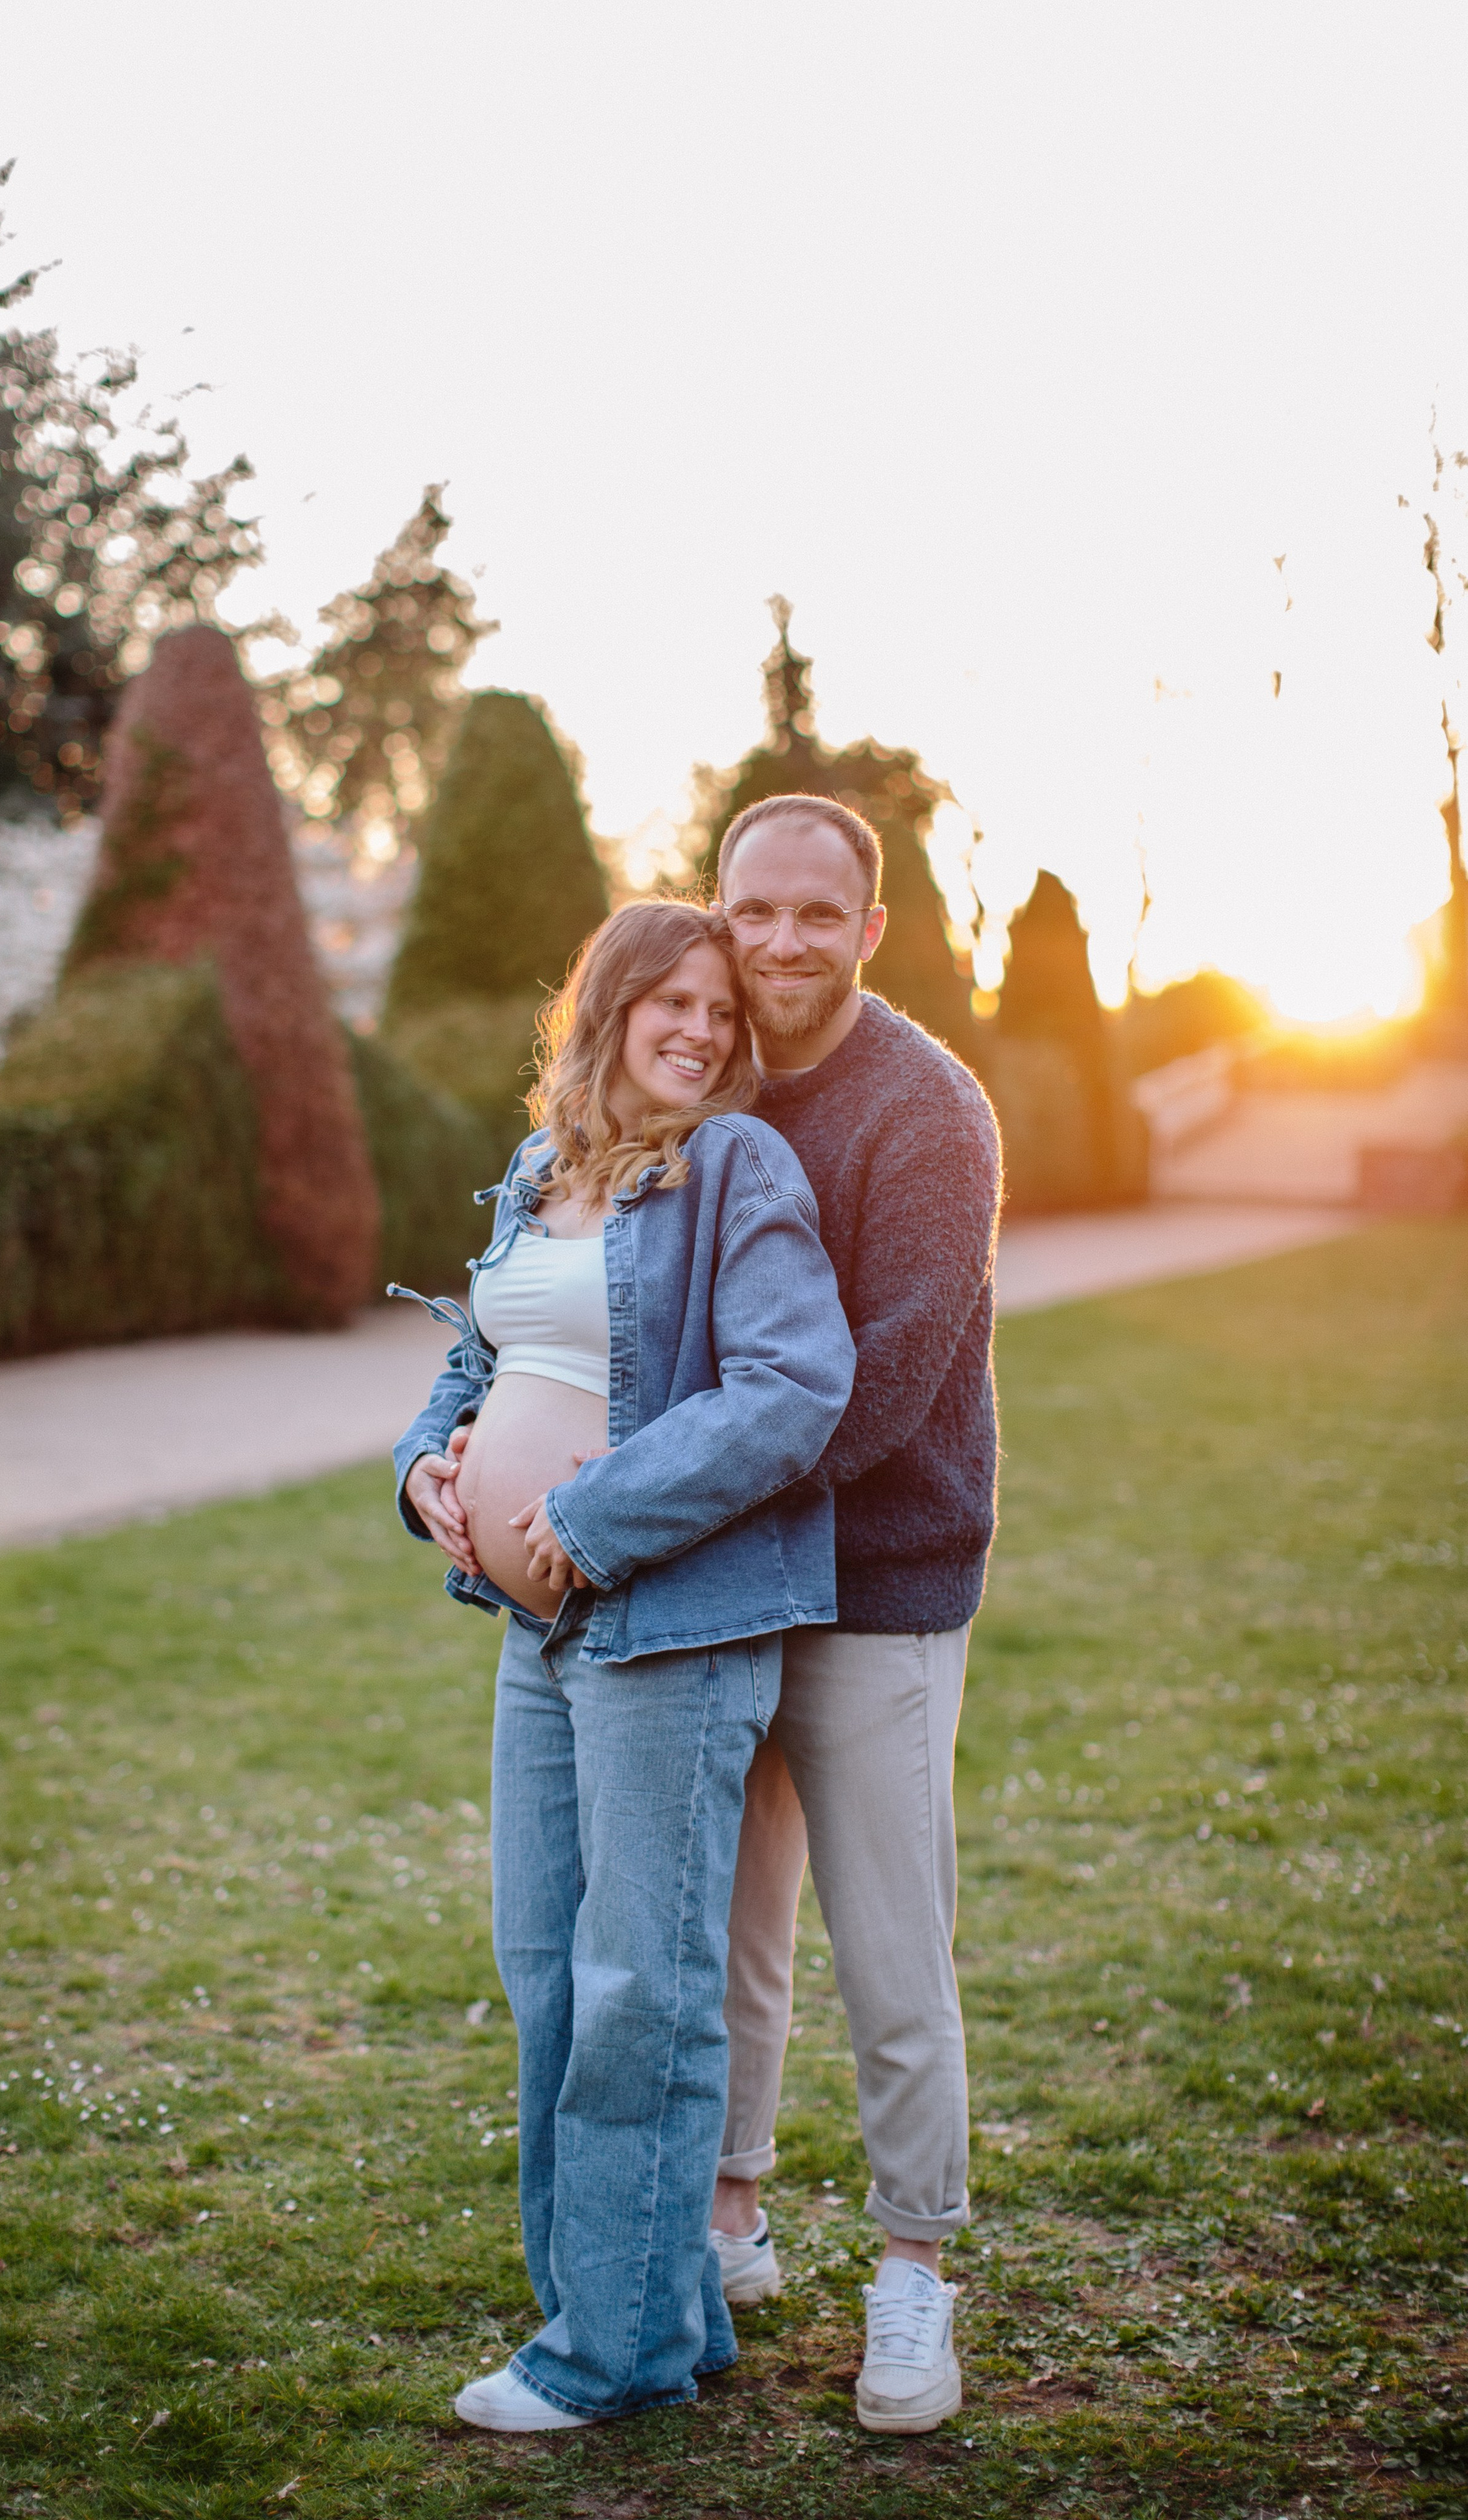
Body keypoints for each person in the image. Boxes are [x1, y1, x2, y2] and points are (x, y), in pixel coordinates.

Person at [392, 900, 855, 2433]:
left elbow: (796, 1388)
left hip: (669, 1622)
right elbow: (479, 1365)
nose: (704, 1032)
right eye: (674, 1003)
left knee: (636, 1991)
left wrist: (585, 1516)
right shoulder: (544, 1173)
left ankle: (610, 2355)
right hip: (538, 1631)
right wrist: (424, 1475)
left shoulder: (736, 1166)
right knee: (546, 1975)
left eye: (722, 1013)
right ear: (605, 1007)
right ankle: (641, 2304)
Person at [703, 794, 1002, 2437]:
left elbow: (884, 1383)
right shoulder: (702, 1069)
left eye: (819, 915)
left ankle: (910, 2270)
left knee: (888, 1943)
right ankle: (728, 2220)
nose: (783, 944)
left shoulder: (929, 1108)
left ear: (868, 930)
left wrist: (659, 1497)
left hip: (877, 1578)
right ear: (722, 910)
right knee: (732, 1929)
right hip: (718, 1578)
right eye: (757, 912)